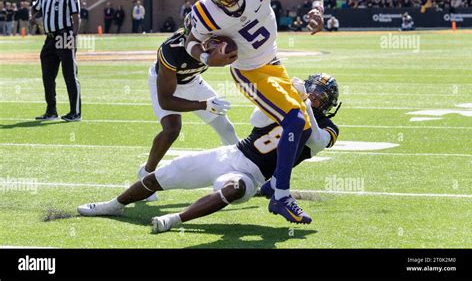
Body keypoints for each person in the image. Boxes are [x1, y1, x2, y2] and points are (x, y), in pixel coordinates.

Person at [77, 73, 340, 233]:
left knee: (234, 189)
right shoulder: (290, 106)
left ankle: (175, 220)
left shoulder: (328, 128)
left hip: (253, 175)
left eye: (320, 97)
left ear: (328, 104)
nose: (314, 99)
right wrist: (289, 99)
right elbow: (257, 119)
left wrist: (304, 107)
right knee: (167, 173)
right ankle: (113, 205)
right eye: (312, 93)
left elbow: (315, 140)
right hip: (231, 154)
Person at [186, 0, 325, 224]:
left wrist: (318, 6)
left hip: (274, 65)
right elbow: (191, 41)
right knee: (294, 119)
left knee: (305, 128)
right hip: (248, 72)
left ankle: (273, 185)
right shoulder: (205, 11)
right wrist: (205, 56)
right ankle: (281, 196)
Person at [137, 13, 238, 201]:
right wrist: (204, 105)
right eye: (200, 35)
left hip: (193, 81)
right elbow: (166, 100)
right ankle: (146, 173)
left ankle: (243, 170)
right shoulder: (170, 50)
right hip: (167, 83)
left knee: (226, 128)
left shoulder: (216, 39)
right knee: (172, 129)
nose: (206, 40)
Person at [30, 0, 82, 122]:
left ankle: (75, 112)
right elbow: (34, 8)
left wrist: (73, 36)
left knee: (69, 75)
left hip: (65, 35)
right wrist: (33, 18)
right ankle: (51, 111)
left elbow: (76, 17)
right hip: (50, 38)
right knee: (47, 75)